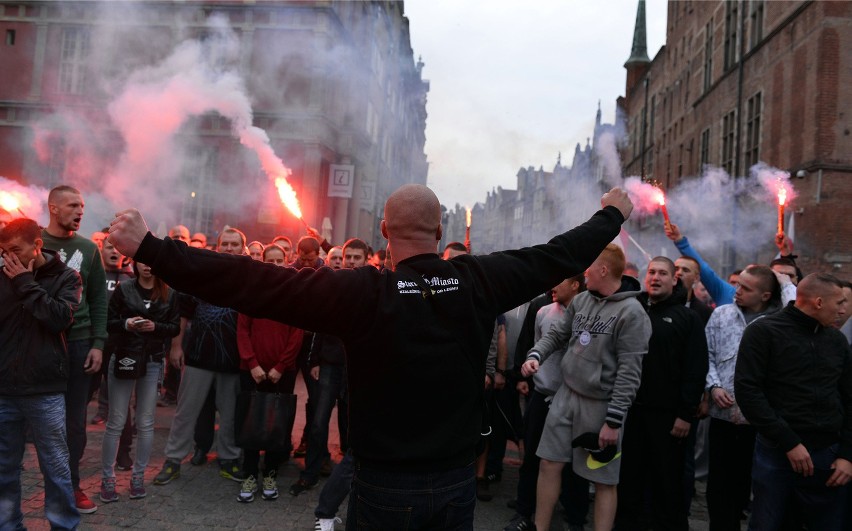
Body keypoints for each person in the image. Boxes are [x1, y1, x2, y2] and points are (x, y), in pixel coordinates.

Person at [108, 184, 634, 529]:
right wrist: (612, 212)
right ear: (441, 232)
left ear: (383, 233)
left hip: (385, 483)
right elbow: (559, 254)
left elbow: (252, 282)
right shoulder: (478, 280)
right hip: (454, 481)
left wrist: (153, 248)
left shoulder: (363, 292)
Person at [521, 244, 652, 531]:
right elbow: (557, 334)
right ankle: (539, 527)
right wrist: (535, 355)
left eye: (589, 267)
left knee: (604, 480)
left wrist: (614, 421)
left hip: (601, 405)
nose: (584, 273)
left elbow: (630, 372)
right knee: (548, 463)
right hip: (566, 396)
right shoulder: (581, 302)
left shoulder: (632, 313)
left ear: (603, 270)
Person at [735, 273, 851, 531]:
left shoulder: (837, 341)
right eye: (840, 302)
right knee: (768, 524)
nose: (844, 310)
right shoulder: (764, 332)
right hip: (777, 454)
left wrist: (847, 455)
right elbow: (748, 392)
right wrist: (788, 441)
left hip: (828, 456)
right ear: (819, 302)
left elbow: (849, 397)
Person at [614, 257, 708, 530]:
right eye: (652, 272)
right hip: (631, 412)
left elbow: (695, 368)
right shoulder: (632, 310)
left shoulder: (687, 318)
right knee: (629, 480)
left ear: (673, 279)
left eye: (663, 273)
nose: (655, 277)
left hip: (667, 418)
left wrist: (685, 414)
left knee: (666, 484)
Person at [0, 218, 82, 530]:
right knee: (4, 468)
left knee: (56, 468)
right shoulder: (1, 274)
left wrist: (23, 282)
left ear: (36, 246)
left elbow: (59, 318)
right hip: (4, 388)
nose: (8, 257)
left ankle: (63, 526)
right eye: (3, 251)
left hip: (44, 389)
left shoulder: (66, 277)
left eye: (15, 250)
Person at [152, 228, 248, 486]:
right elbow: (183, 313)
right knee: (185, 412)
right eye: (225, 243)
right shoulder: (202, 274)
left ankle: (228, 458)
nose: (229, 248)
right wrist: (176, 346)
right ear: (217, 247)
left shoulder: (248, 278)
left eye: (234, 244)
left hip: (232, 359)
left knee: (229, 413)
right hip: (198, 355)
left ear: (242, 248)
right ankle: (173, 460)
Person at [504, 274, 590, 531]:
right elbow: (532, 345)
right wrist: (524, 377)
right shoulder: (542, 311)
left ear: (575, 284)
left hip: (575, 400)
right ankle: (524, 513)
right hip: (541, 396)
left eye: (560, 281)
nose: (553, 285)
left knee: (576, 464)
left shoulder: (590, 315)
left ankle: (575, 518)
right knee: (532, 458)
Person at [41, 185, 106, 514]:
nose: (80, 211)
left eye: (82, 205)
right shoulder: (32, 242)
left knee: (74, 423)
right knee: (35, 418)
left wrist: (98, 343)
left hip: (79, 343)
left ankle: (72, 483)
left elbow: (98, 300)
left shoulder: (88, 249)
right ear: (53, 208)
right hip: (37, 343)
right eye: (72, 206)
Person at [704, 265, 782, 530]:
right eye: (738, 285)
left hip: (758, 422)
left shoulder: (778, 323)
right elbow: (708, 355)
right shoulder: (720, 315)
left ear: (765, 296)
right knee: (719, 485)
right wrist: (714, 386)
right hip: (722, 416)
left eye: (746, 288)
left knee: (749, 485)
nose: (737, 291)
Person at [99, 261, 179, 503]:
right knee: (116, 420)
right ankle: (107, 478)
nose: (148, 266)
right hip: (124, 355)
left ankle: (138, 477)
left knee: (145, 422)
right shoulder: (124, 289)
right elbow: (108, 321)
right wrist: (126, 324)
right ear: (135, 263)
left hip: (153, 359)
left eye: (152, 261)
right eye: (143, 261)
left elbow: (174, 327)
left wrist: (156, 327)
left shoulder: (170, 293)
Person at [235, 243, 304, 503]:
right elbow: (242, 331)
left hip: (281, 373)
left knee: (278, 425)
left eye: (279, 261)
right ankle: (250, 473)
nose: (274, 265)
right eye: (269, 260)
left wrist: (279, 367)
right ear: (261, 261)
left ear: (286, 262)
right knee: (251, 423)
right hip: (251, 371)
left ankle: (271, 472)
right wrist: (252, 363)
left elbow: (296, 334)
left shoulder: (291, 294)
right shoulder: (251, 293)